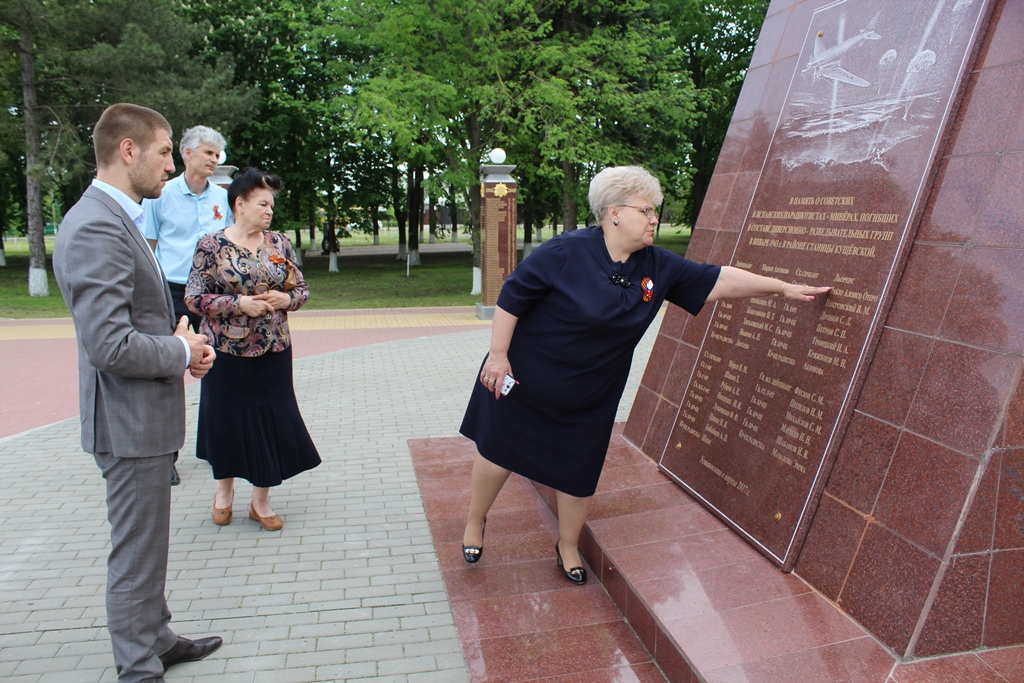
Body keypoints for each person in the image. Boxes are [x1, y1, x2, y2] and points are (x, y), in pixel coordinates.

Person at [459, 165, 831, 585]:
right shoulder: (565, 251)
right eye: (647, 210)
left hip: (591, 394)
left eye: (656, 210)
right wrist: (498, 354)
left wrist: (780, 288)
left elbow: (720, 280)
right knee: (497, 452)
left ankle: (566, 546)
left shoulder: (658, 265)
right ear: (614, 213)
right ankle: (476, 521)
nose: (655, 218)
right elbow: (512, 296)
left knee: (578, 471)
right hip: (527, 378)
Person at [53, 103, 223, 681]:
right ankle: (138, 667)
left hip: (140, 417)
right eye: (163, 151)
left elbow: (132, 324)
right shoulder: (97, 223)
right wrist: (177, 352)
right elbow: (110, 345)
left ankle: (157, 637)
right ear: (128, 151)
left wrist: (180, 344)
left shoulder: (119, 215)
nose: (170, 165)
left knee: (147, 546)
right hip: (127, 424)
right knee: (135, 554)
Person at [185, 167, 321, 531]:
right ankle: (224, 494)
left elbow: (302, 290)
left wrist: (286, 299)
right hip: (225, 352)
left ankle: (261, 502)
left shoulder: (278, 244)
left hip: (274, 349)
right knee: (225, 419)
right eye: (262, 203)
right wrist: (237, 304)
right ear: (239, 203)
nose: (269, 211)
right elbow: (194, 298)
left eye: (271, 205)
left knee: (271, 421)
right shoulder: (211, 245)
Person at [143, 125, 232, 486]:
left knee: (219, 368)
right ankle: (166, 456)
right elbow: (147, 248)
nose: (214, 159)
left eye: (217, 154)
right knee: (168, 371)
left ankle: (222, 449)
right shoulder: (160, 196)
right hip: (172, 292)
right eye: (208, 152)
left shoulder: (222, 199)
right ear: (187, 153)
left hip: (210, 296)